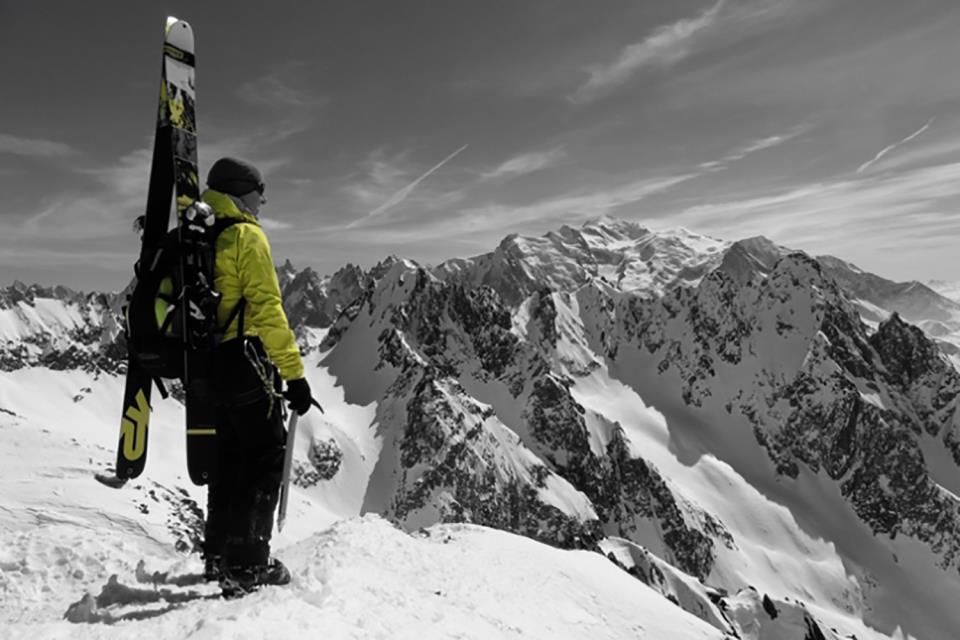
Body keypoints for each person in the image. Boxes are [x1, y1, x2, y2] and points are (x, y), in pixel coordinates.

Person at [198, 157, 315, 598]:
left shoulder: (201, 233)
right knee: (265, 454)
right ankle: (247, 565)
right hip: (244, 357)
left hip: (209, 366)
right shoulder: (245, 235)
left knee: (230, 455)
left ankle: (218, 556)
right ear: (239, 191)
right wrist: (295, 376)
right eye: (259, 189)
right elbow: (266, 309)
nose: (264, 198)